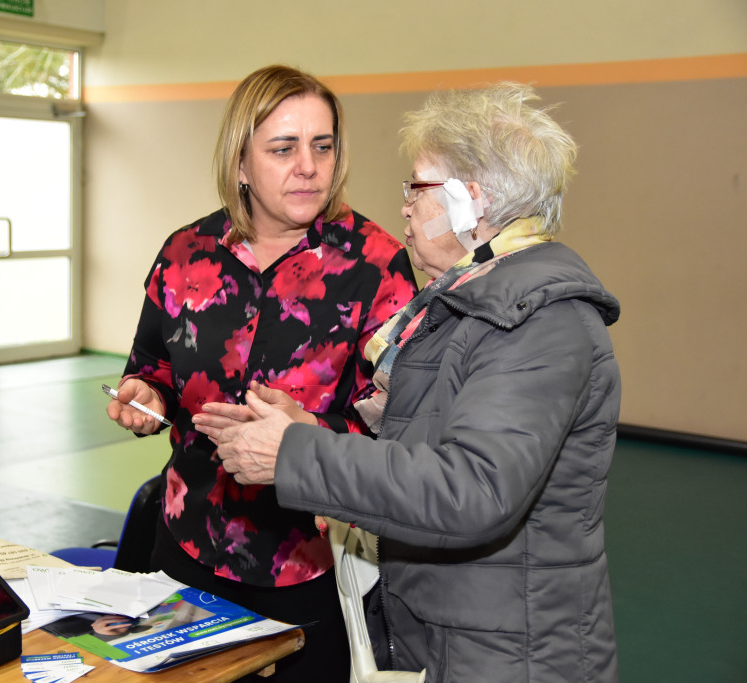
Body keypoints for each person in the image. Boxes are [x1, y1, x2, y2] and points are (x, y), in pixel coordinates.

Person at [200, 82, 621, 682]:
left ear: (469, 203)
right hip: (456, 632)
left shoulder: (539, 323)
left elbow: (471, 490)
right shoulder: (468, 304)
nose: (404, 207)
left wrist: (294, 453)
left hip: (509, 656)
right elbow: (423, 451)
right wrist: (307, 428)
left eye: (417, 188)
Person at [106, 64, 419, 680]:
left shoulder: (377, 267)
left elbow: (400, 426)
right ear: (241, 164)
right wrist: (147, 395)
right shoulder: (185, 254)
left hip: (308, 567)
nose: (309, 166)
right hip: (186, 546)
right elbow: (152, 366)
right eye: (283, 148)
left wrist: (308, 434)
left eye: (322, 146)